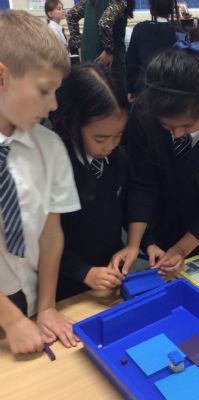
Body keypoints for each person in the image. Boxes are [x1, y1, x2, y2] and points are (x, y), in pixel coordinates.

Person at [114, 38, 199, 278]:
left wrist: (182, 248)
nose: (177, 135)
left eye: (187, 126)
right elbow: (141, 183)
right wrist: (136, 243)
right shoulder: (144, 111)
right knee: (164, 282)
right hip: (161, 221)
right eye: (167, 126)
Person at [0, 10, 81, 354]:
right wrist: (10, 320)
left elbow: (51, 234)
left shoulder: (49, 146)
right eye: (45, 90)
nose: (53, 105)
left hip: (29, 297)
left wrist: (46, 307)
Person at [50, 63, 132, 300]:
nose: (111, 146)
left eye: (118, 135)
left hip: (109, 272)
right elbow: (44, 238)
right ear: (72, 124)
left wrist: (137, 244)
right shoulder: (56, 165)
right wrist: (83, 272)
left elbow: (122, 209)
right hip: (63, 281)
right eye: (100, 138)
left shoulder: (117, 159)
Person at [67, 0, 135, 85]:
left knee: (90, 88)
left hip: (87, 55)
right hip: (108, 60)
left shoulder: (89, 2)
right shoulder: (118, 2)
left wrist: (79, 45)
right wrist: (108, 51)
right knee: (112, 90)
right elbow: (105, 23)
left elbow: (71, 15)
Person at [126, 0, 179, 101]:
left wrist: (130, 88)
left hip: (143, 89)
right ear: (172, 7)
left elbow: (132, 62)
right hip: (172, 93)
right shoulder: (179, 32)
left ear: (150, 6)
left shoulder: (140, 29)